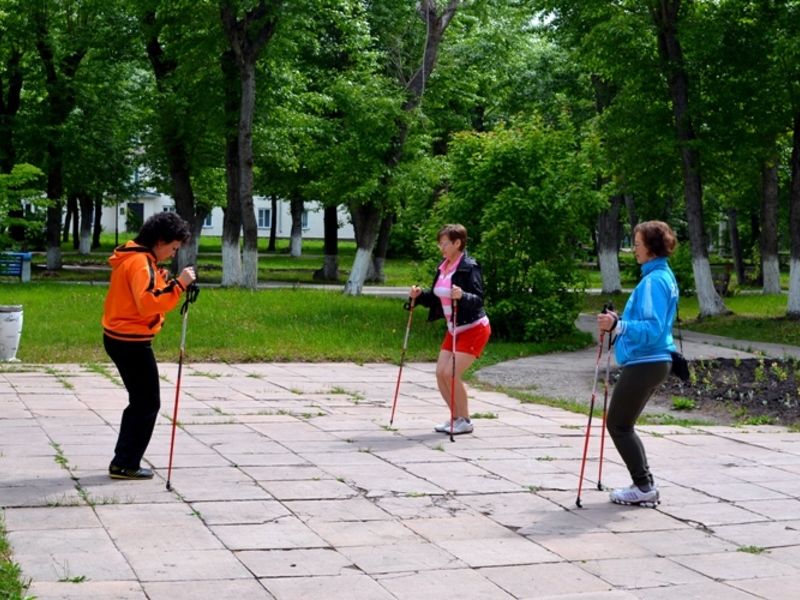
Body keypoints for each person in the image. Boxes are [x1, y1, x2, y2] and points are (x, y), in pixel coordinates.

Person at [102, 212, 196, 480]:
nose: (172, 254)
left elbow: (148, 292)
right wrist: (179, 285)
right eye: (173, 248)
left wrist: (169, 281)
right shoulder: (140, 262)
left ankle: (125, 460)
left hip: (122, 336)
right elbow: (148, 303)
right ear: (160, 240)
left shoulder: (138, 258)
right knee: (146, 403)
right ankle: (125, 463)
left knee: (142, 402)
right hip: (129, 341)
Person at [597, 220, 679, 507]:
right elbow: (646, 321)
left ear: (651, 247)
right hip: (651, 361)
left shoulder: (654, 281)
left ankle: (643, 487)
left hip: (647, 361)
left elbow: (653, 328)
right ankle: (644, 484)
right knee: (624, 424)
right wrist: (620, 322)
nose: (635, 249)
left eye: (638, 243)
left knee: (618, 424)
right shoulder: (659, 276)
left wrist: (618, 325)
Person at [409, 224, 491, 435]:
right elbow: (437, 296)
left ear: (457, 243)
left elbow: (478, 299)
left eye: (444, 243)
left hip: (474, 328)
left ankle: (465, 420)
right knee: (440, 373)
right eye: (440, 243)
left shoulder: (469, 267)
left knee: (451, 373)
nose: (441, 247)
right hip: (454, 328)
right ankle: (455, 418)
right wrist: (419, 296)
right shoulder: (443, 266)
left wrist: (462, 296)